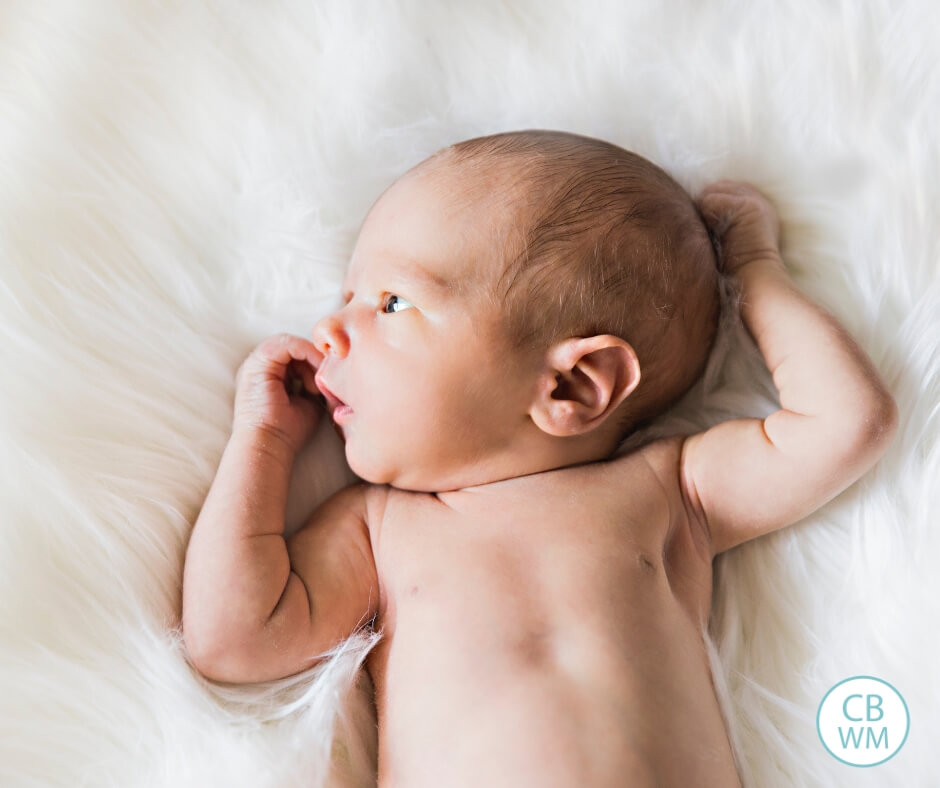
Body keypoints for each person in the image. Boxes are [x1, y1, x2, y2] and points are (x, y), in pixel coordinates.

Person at [181, 130, 898, 786]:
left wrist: (755, 272)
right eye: (349, 298)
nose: (328, 329)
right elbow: (234, 638)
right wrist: (263, 440)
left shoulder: (672, 492)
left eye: (393, 302)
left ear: (571, 386)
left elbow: (847, 422)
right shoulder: (378, 529)